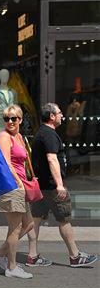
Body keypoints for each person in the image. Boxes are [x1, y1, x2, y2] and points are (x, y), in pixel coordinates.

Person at [27, 103, 97, 267]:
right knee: (64, 219)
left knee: (35, 219)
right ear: (51, 116)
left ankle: (32, 256)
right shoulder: (49, 135)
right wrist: (59, 185)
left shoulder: (41, 134)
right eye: (59, 113)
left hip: (41, 185)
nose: (61, 116)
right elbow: (52, 159)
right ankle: (75, 256)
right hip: (51, 187)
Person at [0, 105, 34, 279]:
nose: (9, 122)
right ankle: (11, 267)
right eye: (6, 118)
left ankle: (0, 254)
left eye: (13, 118)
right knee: (15, 228)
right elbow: (6, 164)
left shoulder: (19, 137)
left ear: (20, 120)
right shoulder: (4, 136)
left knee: (29, 224)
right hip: (11, 186)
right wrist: (19, 183)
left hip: (20, 185)